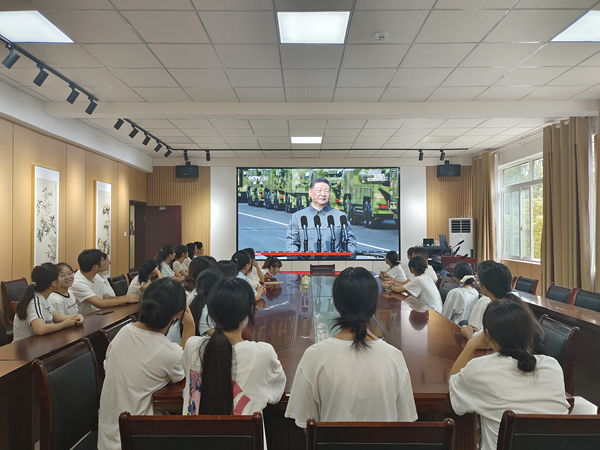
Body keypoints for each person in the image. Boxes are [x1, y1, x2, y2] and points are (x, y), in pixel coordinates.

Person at [285, 267, 417, 427]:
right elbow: (404, 424)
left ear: (335, 303)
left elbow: (307, 424)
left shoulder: (313, 355)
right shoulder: (394, 357)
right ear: (374, 304)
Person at [448, 299, 569, 450]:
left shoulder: (480, 370)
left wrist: (471, 344)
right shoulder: (552, 366)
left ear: (487, 335)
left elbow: (452, 381)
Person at [98, 279, 195, 450]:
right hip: (137, 440)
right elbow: (186, 369)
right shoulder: (169, 352)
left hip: (107, 439)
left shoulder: (123, 332)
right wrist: (189, 326)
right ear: (178, 314)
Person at [182, 278, 286, 420]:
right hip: (246, 435)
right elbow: (276, 394)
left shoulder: (192, 346)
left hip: (192, 434)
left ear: (211, 311)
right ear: (248, 312)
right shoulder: (263, 353)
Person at [461, 261, 546, 355]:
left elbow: (481, 345)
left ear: (485, 286)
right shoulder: (513, 303)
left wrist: (468, 333)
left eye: (478, 279)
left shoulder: (499, 309)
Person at [13, 263, 84, 341]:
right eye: (60, 276)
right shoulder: (34, 301)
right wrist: (63, 325)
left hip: (40, 342)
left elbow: (58, 318)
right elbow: (40, 329)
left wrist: (77, 316)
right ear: (53, 283)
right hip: (26, 346)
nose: (65, 278)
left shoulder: (44, 297)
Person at [285, 177, 357, 254]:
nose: (323, 194)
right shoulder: (297, 217)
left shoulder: (341, 216)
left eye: (326, 191)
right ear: (310, 192)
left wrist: (349, 254)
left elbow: (350, 241)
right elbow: (291, 242)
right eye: (319, 190)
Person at [71, 249, 140, 315]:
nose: (107, 263)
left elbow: (107, 298)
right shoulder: (78, 282)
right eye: (103, 261)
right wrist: (126, 299)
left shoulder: (96, 277)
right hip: (87, 319)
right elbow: (100, 303)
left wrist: (127, 298)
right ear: (95, 267)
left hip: (101, 314)